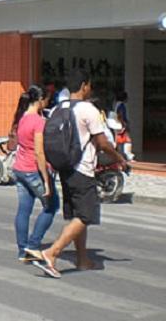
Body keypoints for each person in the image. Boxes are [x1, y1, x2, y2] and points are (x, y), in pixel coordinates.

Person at [39, 69, 127, 279]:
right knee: (86, 215)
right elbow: (102, 142)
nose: (91, 88)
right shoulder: (89, 109)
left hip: (66, 168)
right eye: (90, 85)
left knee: (78, 214)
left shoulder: (59, 108)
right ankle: (52, 253)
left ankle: (82, 259)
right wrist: (118, 158)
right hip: (82, 169)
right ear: (85, 85)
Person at [10, 85, 59, 263]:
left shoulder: (22, 117)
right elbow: (39, 152)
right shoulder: (39, 122)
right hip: (33, 171)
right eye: (46, 100)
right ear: (39, 100)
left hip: (19, 170)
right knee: (51, 206)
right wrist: (46, 181)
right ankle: (33, 245)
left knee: (24, 210)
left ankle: (22, 250)